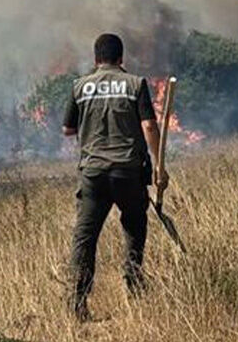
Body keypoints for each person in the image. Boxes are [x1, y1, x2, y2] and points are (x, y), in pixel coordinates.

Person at [62, 33, 167, 321]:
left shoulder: (79, 86)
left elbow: (68, 130)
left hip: (93, 174)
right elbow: (148, 126)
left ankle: (77, 305)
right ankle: (134, 286)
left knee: (85, 237)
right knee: (134, 226)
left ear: (96, 59)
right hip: (128, 172)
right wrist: (159, 165)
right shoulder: (135, 84)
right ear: (121, 58)